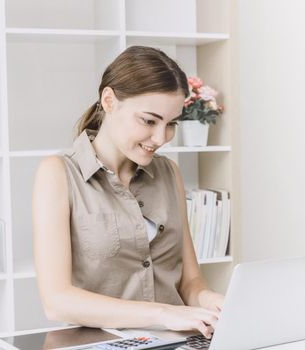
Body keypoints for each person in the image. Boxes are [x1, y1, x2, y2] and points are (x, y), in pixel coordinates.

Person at [32, 45, 224, 339]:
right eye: (149, 121)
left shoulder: (168, 173)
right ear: (109, 101)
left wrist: (213, 303)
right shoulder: (58, 174)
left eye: (170, 123)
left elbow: (190, 282)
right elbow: (57, 301)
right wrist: (163, 314)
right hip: (103, 344)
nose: (161, 138)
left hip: (176, 342)